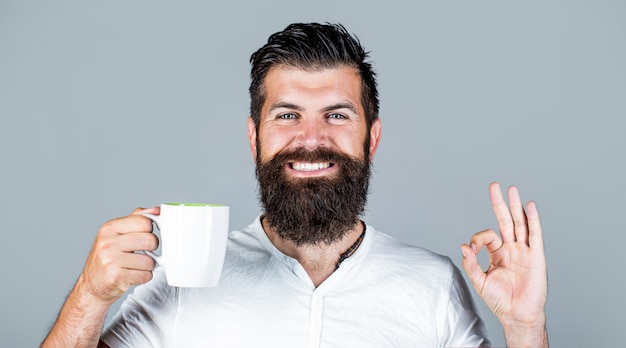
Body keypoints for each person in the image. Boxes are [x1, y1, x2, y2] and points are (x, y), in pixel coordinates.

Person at [42, 23, 548, 347]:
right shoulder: (179, 280)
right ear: (253, 136)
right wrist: (90, 295)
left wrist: (526, 328)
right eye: (287, 115)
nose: (311, 139)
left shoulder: (433, 286)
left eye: (336, 114)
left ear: (371, 139)